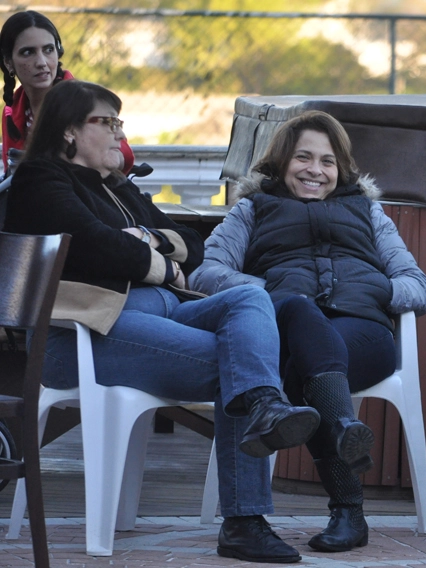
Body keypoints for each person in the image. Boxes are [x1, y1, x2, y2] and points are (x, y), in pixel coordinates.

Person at [4, 79, 322, 564]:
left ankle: (263, 405)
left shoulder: (118, 187)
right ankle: (245, 520)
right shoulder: (41, 181)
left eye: (119, 122)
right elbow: (97, 244)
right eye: (106, 123)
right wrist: (154, 255)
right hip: (83, 336)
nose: (119, 134)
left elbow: (190, 245)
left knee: (248, 300)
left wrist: (146, 240)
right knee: (240, 365)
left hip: (164, 309)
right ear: (68, 132)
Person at [190, 110, 426, 552]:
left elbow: (416, 286)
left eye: (327, 161)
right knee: (299, 312)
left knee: (306, 373)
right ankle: (348, 501)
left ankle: (340, 444)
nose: (315, 171)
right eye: (304, 158)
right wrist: (265, 292)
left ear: (340, 169)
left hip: (363, 335)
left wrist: (375, 288)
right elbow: (206, 274)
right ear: (282, 162)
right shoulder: (253, 207)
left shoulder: (368, 211)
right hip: (288, 326)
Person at [0, 10, 134, 175]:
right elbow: (12, 171)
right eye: (28, 52)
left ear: (58, 52)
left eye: (48, 50)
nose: (41, 62)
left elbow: (124, 157)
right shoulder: (12, 111)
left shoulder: (85, 101)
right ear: (8, 62)